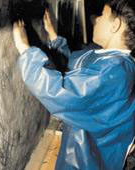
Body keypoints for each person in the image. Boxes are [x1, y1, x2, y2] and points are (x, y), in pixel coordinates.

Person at [13, 0, 135, 169]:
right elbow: (77, 66)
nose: (96, 19)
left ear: (115, 25)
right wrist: (54, 38)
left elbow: (60, 91)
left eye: (102, 15)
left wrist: (24, 49)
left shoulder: (114, 73)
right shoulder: (110, 58)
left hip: (86, 161)